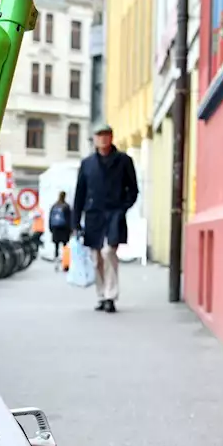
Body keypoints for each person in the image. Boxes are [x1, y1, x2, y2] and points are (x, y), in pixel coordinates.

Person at [73, 123, 138, 313]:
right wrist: (75, 222)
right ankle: (101, 295)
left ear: (111, 137)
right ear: (94, 139)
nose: (102, 139)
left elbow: (133, 189)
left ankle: (111, 295)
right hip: (93, 215)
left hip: (114, 215)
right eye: (99, 135)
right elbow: (80, 194)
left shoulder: (124, 160)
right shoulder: (87, 164)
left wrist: (122, 208)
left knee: (108, 252)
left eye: (106, 135)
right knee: (96, 258)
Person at [47, 191, 73, 267]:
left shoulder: (54, 206)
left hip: (55, 228)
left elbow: (50, 218)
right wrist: (70, 229)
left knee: (56, 246)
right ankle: (65, 262)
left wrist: (51, 228)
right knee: (65, 245)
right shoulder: (66, 206)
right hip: (64, 228)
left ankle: (56, 261)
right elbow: (69, 219)